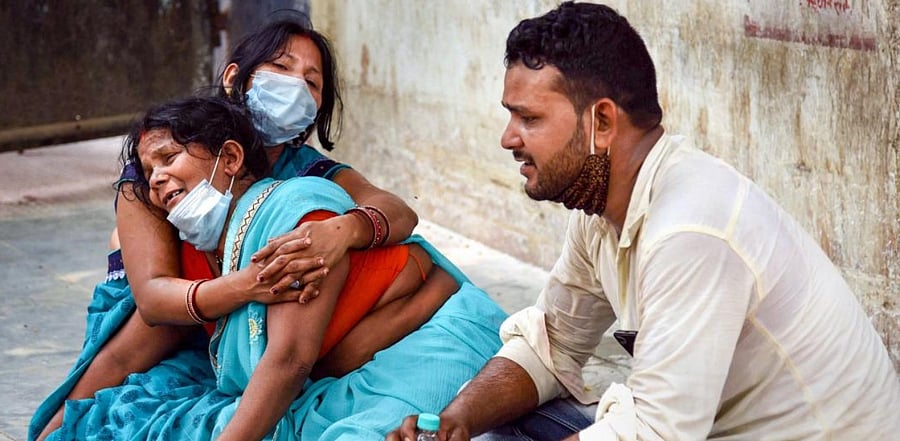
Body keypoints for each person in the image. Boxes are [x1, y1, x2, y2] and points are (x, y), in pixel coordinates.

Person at [388, 2, 900, 440]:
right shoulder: (601, 203)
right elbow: (553, 344)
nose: (508, 138)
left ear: (603, 122)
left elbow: (654, 434)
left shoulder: (691, 230)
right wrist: (450, 425)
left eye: (530, 118)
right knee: (503, 420)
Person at [29, 19, 487, 441]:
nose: (294, 87)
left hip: (385, 332)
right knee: (127, 405)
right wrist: (246, 285)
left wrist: (343, 232)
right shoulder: (165, 187)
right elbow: (150, 309)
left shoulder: (303, 188)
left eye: (311, 82)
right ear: (234, 78)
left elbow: (292, 357)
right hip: (197, 312)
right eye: (281, 68)